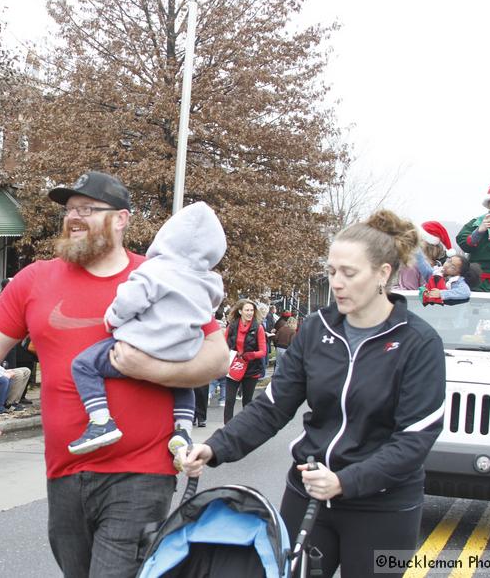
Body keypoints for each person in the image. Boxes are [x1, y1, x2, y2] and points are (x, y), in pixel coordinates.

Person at [0, 171, 227, 577]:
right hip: (65, 470)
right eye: (70, 210)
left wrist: (150, 369)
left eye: (88, 209)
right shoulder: (36, 279)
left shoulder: (159, 275)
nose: (74, 217)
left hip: (141, 472)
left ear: (121, 219)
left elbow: (218, 358)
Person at [180, 210, 447, 578]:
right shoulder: (316, 329)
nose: (337, 282)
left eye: (349, 273)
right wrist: (215, 447)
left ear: (383, 274)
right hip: (308, 490)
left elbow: (413, 441)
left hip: (383, 505)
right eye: (333, 271)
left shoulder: (418, 343)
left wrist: (345, 482)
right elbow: (273, 407)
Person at [66, 201, 225, 466]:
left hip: (142, 345)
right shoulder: (209, 280)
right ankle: (183, 429)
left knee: (84, 364)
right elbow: (211, 308)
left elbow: (131, 299)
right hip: (184, 350)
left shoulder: (155, 269)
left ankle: (101, 420)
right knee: (183, 382)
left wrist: (113, 320)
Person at [223, 299, 267, 424]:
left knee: (247, 401)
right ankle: (228, 428)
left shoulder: (258, 328)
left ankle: (246, 429)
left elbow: (263, 351)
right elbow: (223, 344)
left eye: (252, 310)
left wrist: (250, 355)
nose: (250, 313)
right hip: (234, 366)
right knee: (229, 400)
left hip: (251, 369)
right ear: (240, 311)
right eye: (247, 310)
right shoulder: (232, 326)